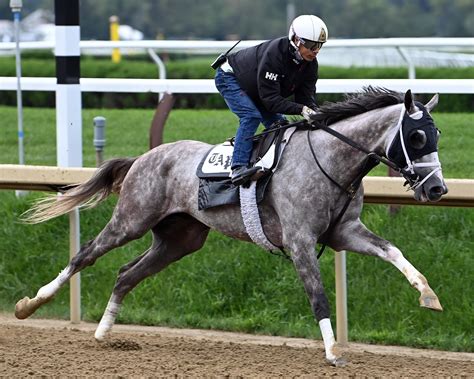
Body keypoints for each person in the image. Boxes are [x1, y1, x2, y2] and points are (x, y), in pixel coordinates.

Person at [214, 14, 328, 186]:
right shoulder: (275, 55)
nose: (316, 50)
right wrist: (302, 110)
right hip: (230, 77)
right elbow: (271, 101)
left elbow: (305, 98)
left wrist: (315, 113)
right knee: (251, 116)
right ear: (296, 40)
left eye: (319, 45)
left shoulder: (311, 65)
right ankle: (238, 167)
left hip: (257, 87)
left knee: (280, 127)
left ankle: (272, 167)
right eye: (311, 45)